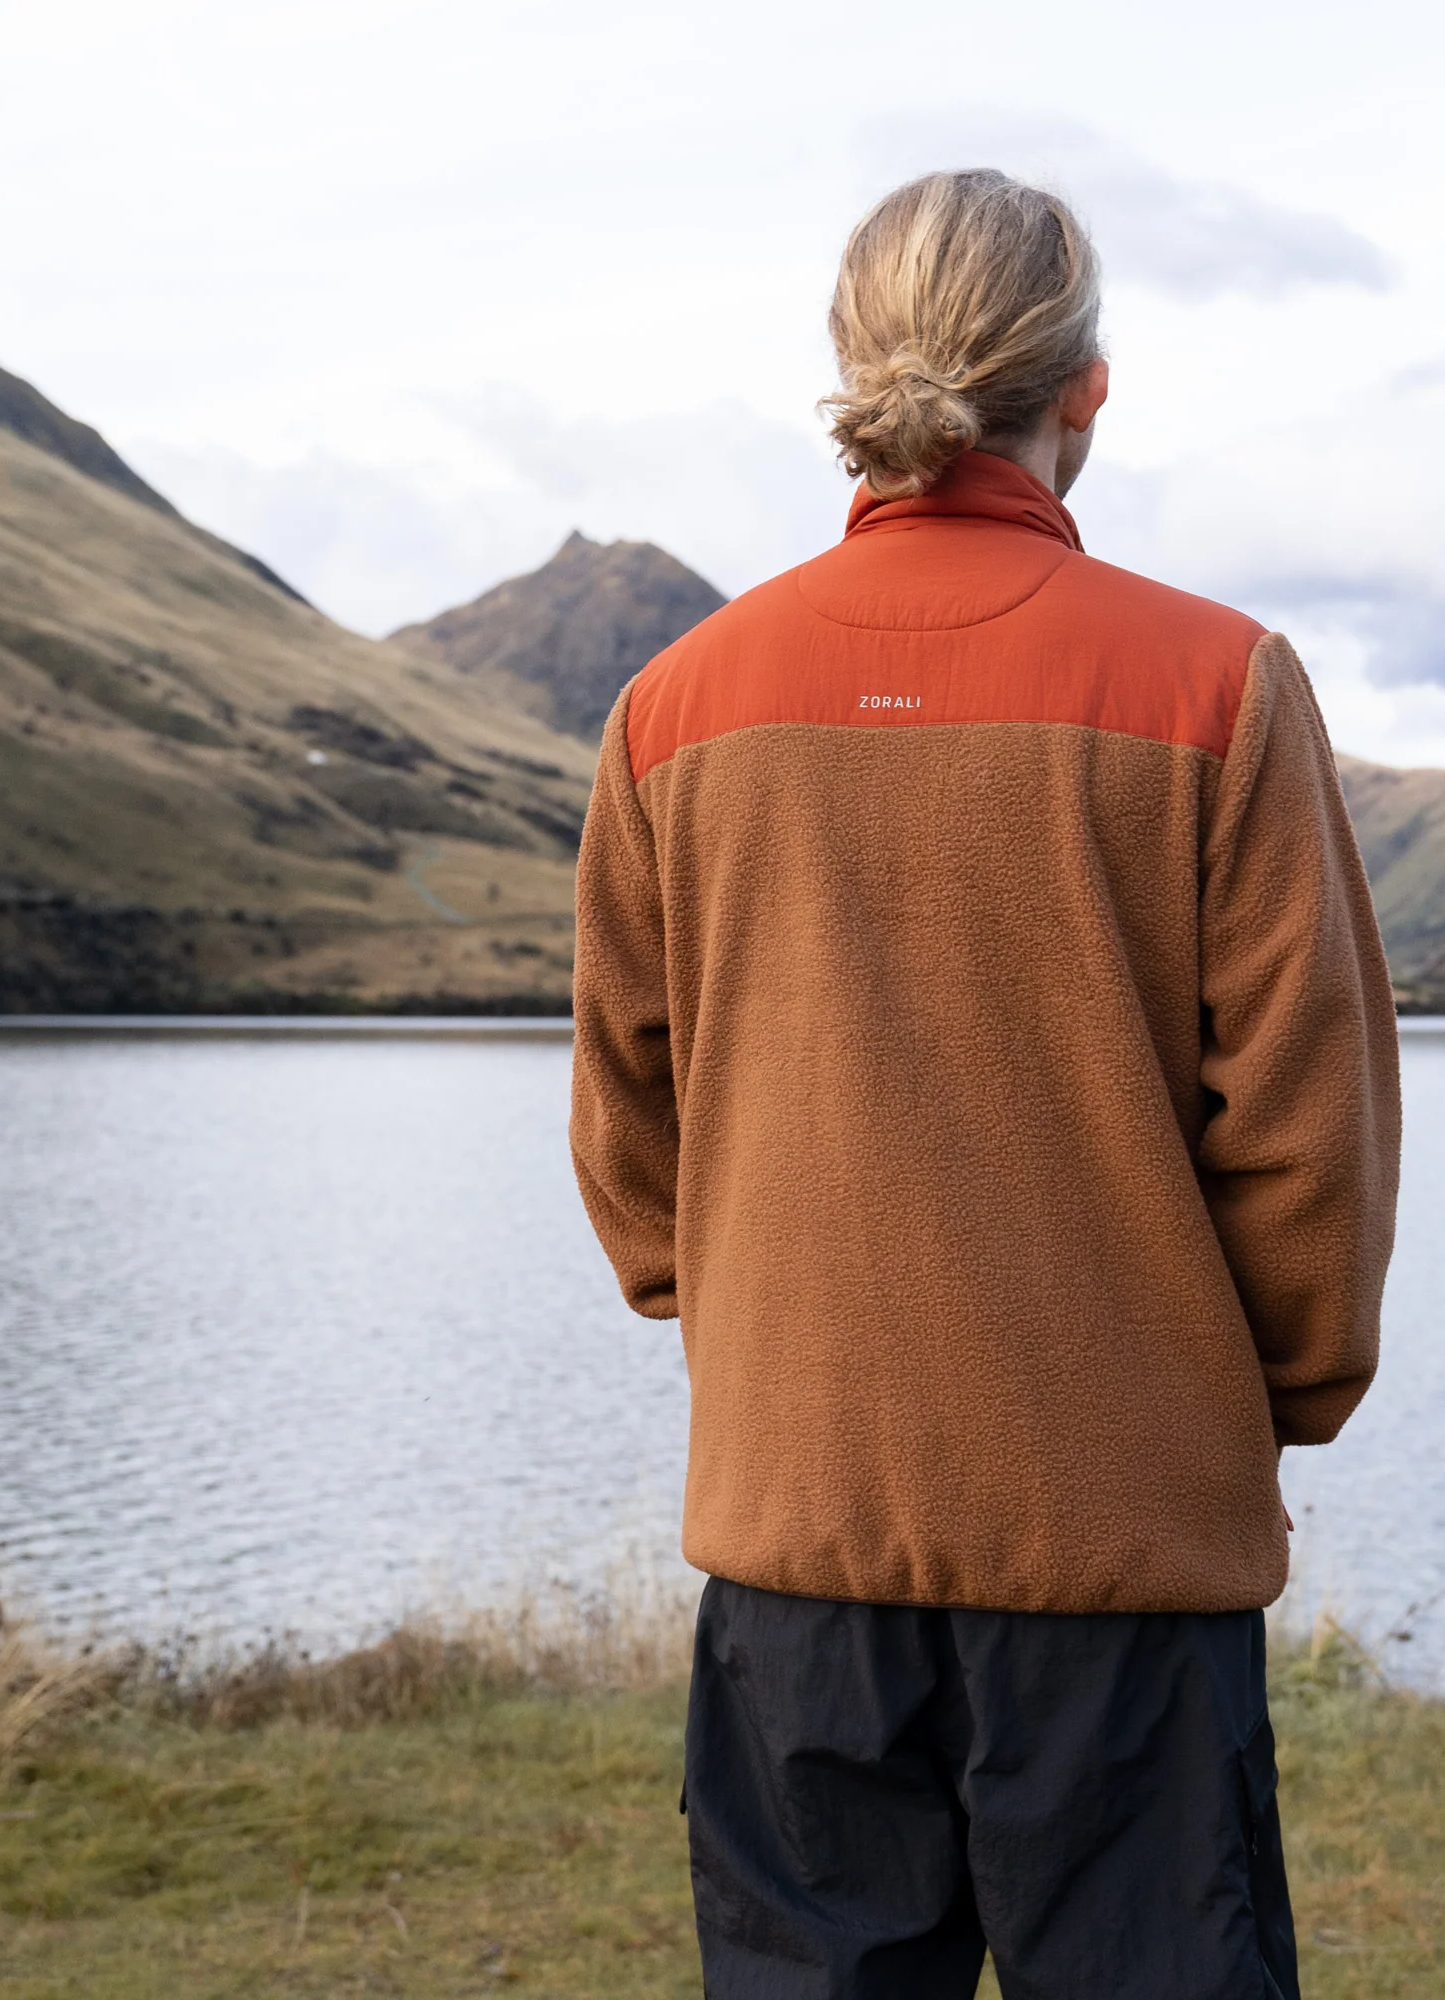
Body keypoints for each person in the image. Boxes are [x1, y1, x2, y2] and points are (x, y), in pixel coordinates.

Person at [570, 168, 1401, 2000]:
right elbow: (1305, 1129)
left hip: (798, 1521)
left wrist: (770, 1330)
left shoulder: (677, 706)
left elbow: (632, 1123)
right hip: (1121, 1540)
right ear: (1086, 385)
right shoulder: (1216, 685)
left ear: (852, 377)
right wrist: (1255, 1398)